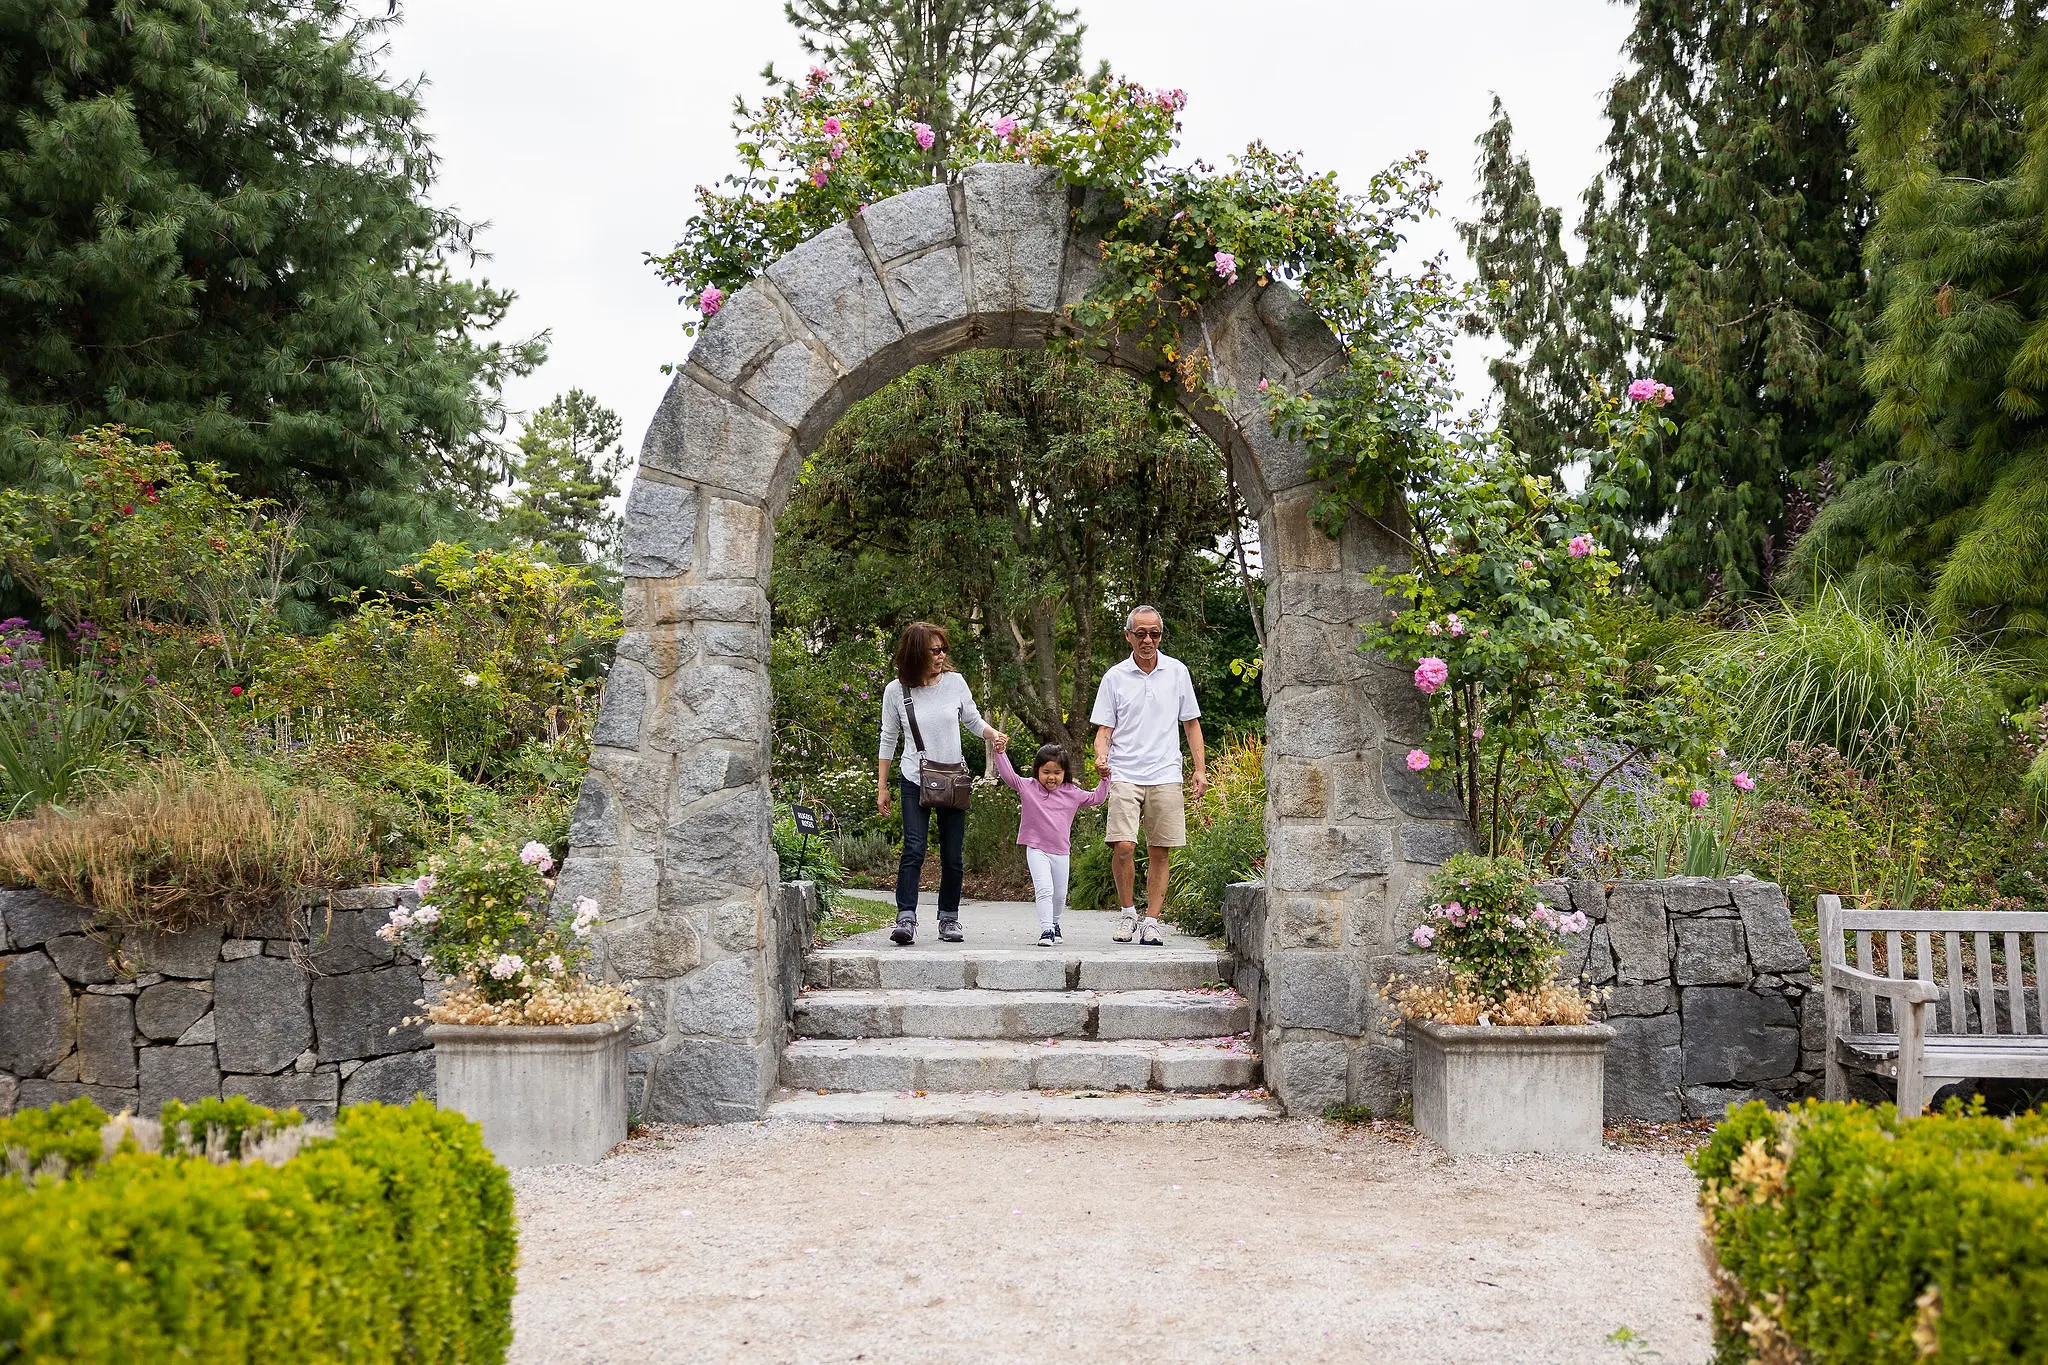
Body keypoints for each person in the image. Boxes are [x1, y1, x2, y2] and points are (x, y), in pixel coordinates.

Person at [877, 621, 1006, 945]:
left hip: (953, 780)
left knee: (952, 855)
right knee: (914, 849)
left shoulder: (955, 683)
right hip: (913, 778)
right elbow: (888, 738)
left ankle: (949, 918)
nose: (942, 655)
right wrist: (882, 786)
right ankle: (905, 917)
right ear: (917, 652)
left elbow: (973, 720)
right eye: (935, 650)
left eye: (944, 649)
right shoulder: (896, 691)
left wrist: (993, 734)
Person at [1091, 605, 1206, 946]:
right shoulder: (1114, 677)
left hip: (1166, 772)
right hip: (1125, 771)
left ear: (1161, 635)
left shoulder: (1177, 671)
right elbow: (1104, 730)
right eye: (1140, 633)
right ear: (1128, 635)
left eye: (1154, 633)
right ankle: (1128, 914)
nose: (1147, 640)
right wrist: (1101, 756)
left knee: (1160, 850)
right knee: (1124, 846)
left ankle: (1152, 921)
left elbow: (1191, 724)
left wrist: (1199, 769)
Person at [994, 741, 1111, 947]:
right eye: (1046, 771)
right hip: (1036, 849)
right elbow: (1009, 776)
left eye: (1057, 772)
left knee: (1059, 894)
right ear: (1037, 771)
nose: (1051, 777)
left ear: (1064, 772)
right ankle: (1046, 929)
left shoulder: (1071, 792)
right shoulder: (1027, 787)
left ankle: (1055, 923)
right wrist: (1000, 752)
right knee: (1044, 889)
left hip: (1061, 852)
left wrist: (1105, 778)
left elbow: (1097, 798)